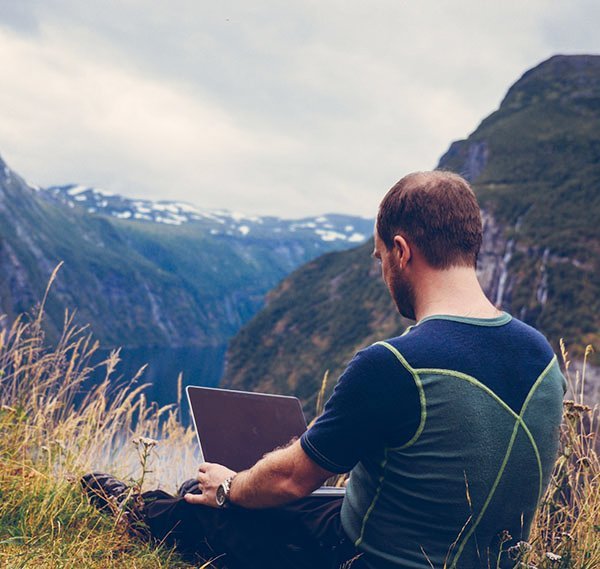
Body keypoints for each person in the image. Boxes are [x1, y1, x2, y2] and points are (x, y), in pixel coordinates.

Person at [83, 171, 566, 569]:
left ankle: (133, 509)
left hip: (368, 557)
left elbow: (292, 479)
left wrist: (230, 486)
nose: (384, 272)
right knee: (258, 496)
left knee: (214, 503)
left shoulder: (396, 363)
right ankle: (172, 500)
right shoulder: (542, 357)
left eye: (381, 258)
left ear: (401, 251)